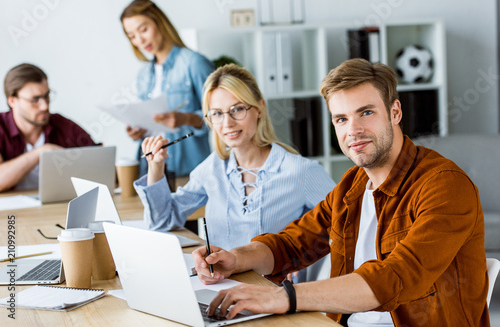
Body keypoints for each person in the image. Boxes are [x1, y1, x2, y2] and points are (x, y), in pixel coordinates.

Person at [192, 59, 489, 326]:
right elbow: (292, 245)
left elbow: (396, 277)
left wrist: (284, 298)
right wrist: (236, 258)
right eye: (341, 119)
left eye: (366, 113)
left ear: (394, 112)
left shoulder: (445, 185)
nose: (353, 131)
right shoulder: (353, 184)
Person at [135, 64, 335, 281]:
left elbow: (346, 226)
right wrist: (156, 167)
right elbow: (162, 221)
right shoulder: (212, 168)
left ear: (259, 108)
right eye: (217, 114)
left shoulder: (301, 171)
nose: (227, 123)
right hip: (220, 285)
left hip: (275, 294)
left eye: (237, 109)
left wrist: (305, 259)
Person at [120, 0, 214, 178]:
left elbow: (219, 118)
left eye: (143, 30)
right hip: (149, 171)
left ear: (159, 22)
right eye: (132, 36)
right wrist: (139, 130)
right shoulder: (144, 74)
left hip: (187, 173)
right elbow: (153, 124)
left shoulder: (194, 64)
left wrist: (186, 118)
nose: (139, 40)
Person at [0, 63, 97, 192]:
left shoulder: (63, 126)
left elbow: (99, 163)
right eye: (35, 100)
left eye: (46, 96)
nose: (44, 106)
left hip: (55, 209)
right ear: (12, 101)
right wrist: (40, 153)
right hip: (13, 211)